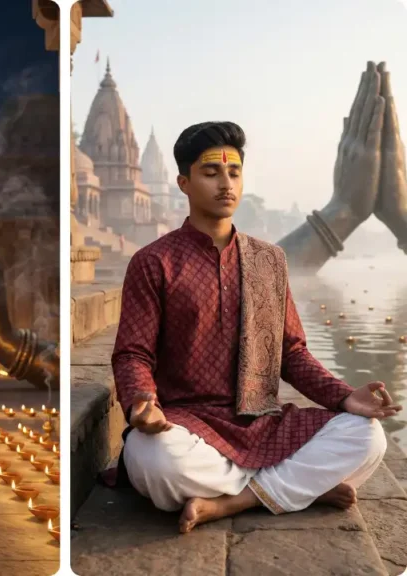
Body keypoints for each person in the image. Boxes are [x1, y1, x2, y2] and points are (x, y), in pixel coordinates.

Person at [111, 118, 402, 534]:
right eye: (211, 172)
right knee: (152, 458)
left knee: (368, 437)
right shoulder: (154, 262)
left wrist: (343, 397)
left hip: (263, 424)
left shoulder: (270, 261)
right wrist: (142, 402)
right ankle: (299, 489)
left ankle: (232, 502)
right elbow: (133, 353)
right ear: (183, 182)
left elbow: (292, 353)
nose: (225, 183)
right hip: (189, 423)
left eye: (234, 172)